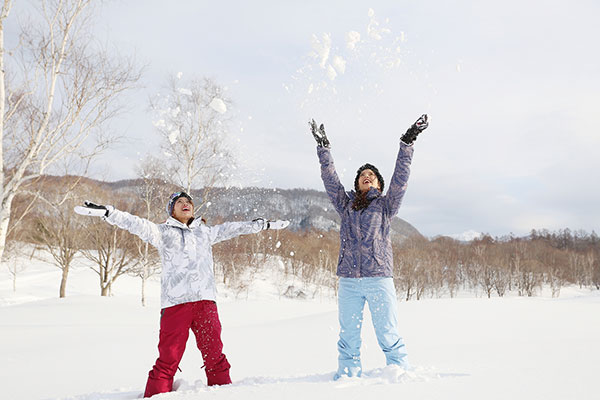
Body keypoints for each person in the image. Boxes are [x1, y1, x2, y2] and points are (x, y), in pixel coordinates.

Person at [74, 192, 289, 397]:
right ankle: (156, 396)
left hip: (205, 302)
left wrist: (263, 224)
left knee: (215, 356)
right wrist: (108, 212)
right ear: (172, 210)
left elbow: (234, 229)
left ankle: (224, 395)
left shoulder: (205, 232)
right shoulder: (161, 233)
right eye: (179, 202)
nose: (185, 203)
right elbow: (134, 223)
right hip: (175, 305)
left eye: (189, 201)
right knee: (168, 360)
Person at [309, 114, 429, 379]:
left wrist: (407, 143)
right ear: (357, 183)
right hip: (349, 280)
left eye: (372, 175)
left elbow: (400, 179)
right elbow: (330, 181)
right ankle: (348, 376)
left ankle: (399, 373)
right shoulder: (346, 205)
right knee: (348, 334)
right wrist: (323, 149)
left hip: (378, 277)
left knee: (387, 331)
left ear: (378, 184)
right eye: (363, 174)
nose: (367, 176)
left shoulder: (386, 205)